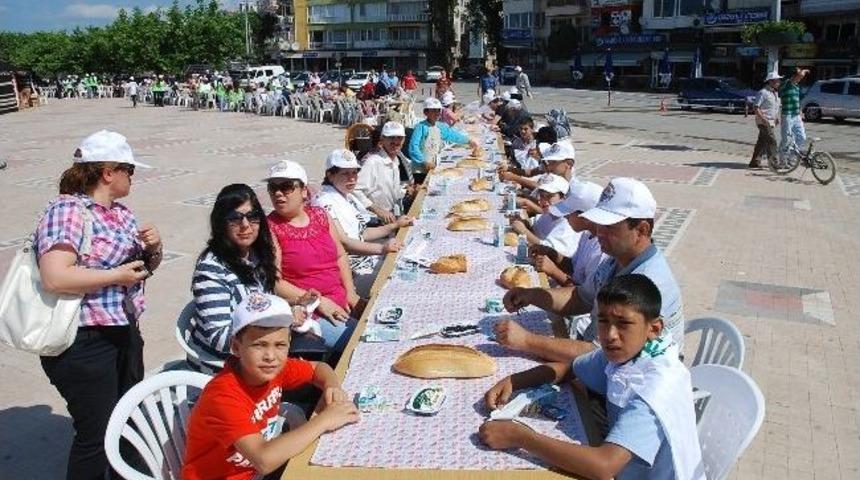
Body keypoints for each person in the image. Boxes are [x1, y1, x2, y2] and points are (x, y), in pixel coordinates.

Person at [480, 274, 703, 480]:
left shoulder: (652, 388)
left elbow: (604, 466)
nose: (610, 335)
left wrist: (521, 437)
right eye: (603, 321)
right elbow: (570, 369)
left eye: (624, 323)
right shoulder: (630, 352)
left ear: (653, 328)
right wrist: (514, 381)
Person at [36, 130, 162, 480]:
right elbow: (55, 277)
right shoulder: (68, 211)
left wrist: (153, 249)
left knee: (128, 421)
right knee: (96, 435)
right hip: (84, 342)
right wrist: (115, 276)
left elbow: (139, 271)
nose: (131, 178)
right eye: (129, 171)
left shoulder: (120, 213)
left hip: (123, 331)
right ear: (109, 172)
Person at [496, 177, 685, 363]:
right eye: (599, 224)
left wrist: (527, 341)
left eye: (609, 227)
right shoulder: (617, 260)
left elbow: (601, 356)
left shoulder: (646, 282)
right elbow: (581, 297)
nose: (599, 232)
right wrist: (530, 295)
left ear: (642, 230)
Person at [182, 292, 359, 480]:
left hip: (254, 469)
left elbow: (318, 368)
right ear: (236, 347)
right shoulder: (223, 396)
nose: (270, 356)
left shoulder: (272, 369)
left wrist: (332, 386)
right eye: (259, 345)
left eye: (280, 345)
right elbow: (264, 460)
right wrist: (324, 420)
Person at [190, 184, 309, 360]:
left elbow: (262, 305)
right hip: (227, 367)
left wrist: (294, 306)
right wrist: (281, 320)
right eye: (235, 218)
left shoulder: (255, 255)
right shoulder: (211, 269)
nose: (245, 225)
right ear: (221, 223)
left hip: (260, 356)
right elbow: (219, 338)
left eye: (252, 217)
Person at [265, 160, 358, 351]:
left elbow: (340, 255)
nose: (278, 193)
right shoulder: (270, 227)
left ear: (304, 191)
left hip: (341, 299)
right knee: (361, 340)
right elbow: (274, 282)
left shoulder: (320, 215)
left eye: (286, 187)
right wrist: (317, 301)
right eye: (273, 187)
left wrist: (351, 292)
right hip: (310, 312)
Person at [313, 149, 412, 296]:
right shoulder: (324, 203)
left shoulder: (345, 196)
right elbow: (344, 243)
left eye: (354, 173)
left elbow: (362, 233)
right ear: (330, 175)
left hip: (366, 258)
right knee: (402, 282)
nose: (352, 179)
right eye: (345, 174)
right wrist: (382, 248)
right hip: (352, 270)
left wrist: (395, 225)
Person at [532, 180, 606, 288]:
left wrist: (554, 272)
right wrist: (552, 253)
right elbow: (574, 267)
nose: (565, 217)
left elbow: (586, 297)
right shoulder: (586, 234)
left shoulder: (601, 250)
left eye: (568, 213)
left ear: (586, 216)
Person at [408, 97, 480, 182]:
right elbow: (413, 147)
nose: (437, 113)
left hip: (433, 165)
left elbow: (452, 135)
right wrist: (423, 161)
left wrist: (468, 141)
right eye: (433, 110)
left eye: (439, 110)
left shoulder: (440, 126)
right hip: (420, 169)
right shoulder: (421, 127)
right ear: (426, 112)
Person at [509, 173, 579, 258]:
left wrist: (523, 231)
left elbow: (549, 252)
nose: (543, 201)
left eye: (549, 196)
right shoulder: (549, 214)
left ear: (564, 198)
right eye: (542, 196)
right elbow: (534, 227)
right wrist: (522, 221)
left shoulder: (567, 224)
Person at [356, 121, 414, 221]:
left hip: (392, 214)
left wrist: (406, 190)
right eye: (391, 138)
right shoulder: (373, 162)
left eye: (399, 138)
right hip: (376, 219)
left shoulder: (395, 161)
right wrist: (377, 210)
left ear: (404, 140)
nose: (395, 142)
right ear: (382, 139)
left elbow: (389, 190)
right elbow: (355, 190)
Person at [749, 72, 781, 169]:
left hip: (771, 121)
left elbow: (774, 107)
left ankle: (755, 162)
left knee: (762, 142)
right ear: (771, 81)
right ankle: (774, 163)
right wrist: (764, 119)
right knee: (772, 141)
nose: (779, 82)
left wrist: (776, 117)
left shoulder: (775, 93)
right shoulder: (763, 92)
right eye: (777, 80)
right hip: (763, 122)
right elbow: (756, 107)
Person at [778, 67, 810, 166]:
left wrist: (800, 110)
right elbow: (792, 80)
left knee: (802, 137)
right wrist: (803, 71)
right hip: (787, 114)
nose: (800, 79)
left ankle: (792, 157)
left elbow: (797, 100)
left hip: (796, 115)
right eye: (798, 77)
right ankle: (782, 160)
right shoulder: (786, 84)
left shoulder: (796, 86)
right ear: (793, 76)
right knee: (786, 138)